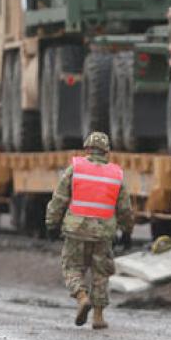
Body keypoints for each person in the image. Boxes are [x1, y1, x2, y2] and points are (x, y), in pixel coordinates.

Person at [44, 131, 134, 330]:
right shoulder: (116, 174)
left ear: (86, 149)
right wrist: (127, 231)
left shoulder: (75, 169)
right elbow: (125, 208)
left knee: (72, 268)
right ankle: (99, 317)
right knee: (101, 273)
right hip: (103, 233)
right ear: (107, 151)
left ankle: (82, 297)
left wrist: (51, 223)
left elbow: (59, 199)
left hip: (76, 230)